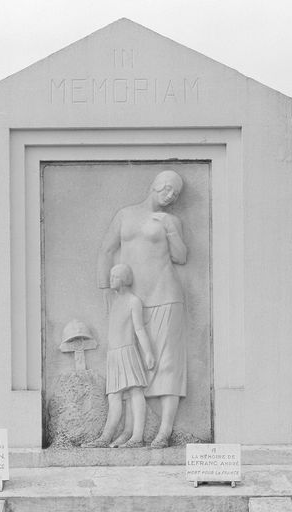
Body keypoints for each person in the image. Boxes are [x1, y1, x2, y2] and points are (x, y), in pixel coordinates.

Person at [97, 170, 187, 448]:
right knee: (131, 369)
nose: (171, 196)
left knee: (167, 362)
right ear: (156, 185)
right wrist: (105, 289)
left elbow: (181, 257)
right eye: (169, 189)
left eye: (176, 193)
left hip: (166, 294)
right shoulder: (125, 215)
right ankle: (131, 431)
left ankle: (164, 431)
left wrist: (170, 229)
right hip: (132, 299)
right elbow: (106, 250)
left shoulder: (170, 220)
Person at [82, 264, 155, 448]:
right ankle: (105, 437)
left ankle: (137, 437)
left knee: (135, 391)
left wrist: (148, 353)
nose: (111, 279)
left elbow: (139, 329)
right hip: (113, 355)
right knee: (113, 396)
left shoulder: (133, 301)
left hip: (128, 352)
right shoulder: (113, 301)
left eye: (115, 276)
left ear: (124, 279)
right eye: (111, 276)